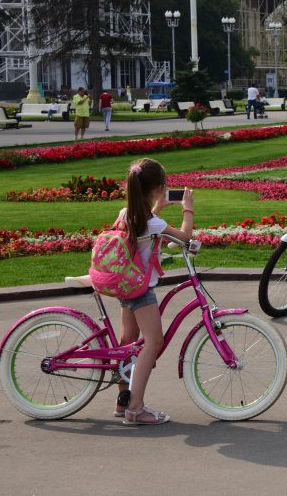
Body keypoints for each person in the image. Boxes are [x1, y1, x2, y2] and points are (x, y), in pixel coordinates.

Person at [112, 158, 194, 425]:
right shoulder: (152, 223)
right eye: (164, 186)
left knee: (128, 341)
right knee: (153, 343)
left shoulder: (127, 213)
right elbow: (184, 236)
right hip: (141, 291)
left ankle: (122, 400)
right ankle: (135, 409)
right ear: (158, 188)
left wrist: (158, 206)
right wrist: (187, 209)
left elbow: (146, 222)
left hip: (125, 285)